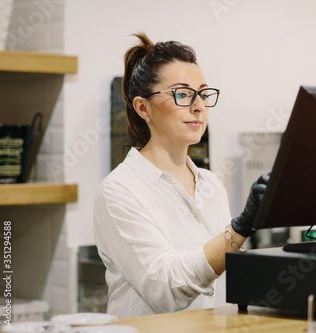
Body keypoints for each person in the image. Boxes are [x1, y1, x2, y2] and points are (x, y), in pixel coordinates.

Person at [93, 33, 269, 318]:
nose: (198, 105)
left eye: (203, 93)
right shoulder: (119, 190)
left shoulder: (212, 184)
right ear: (143, 107)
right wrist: (239, 230)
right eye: (183, 94)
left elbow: (222, 282)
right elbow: (166, 290)